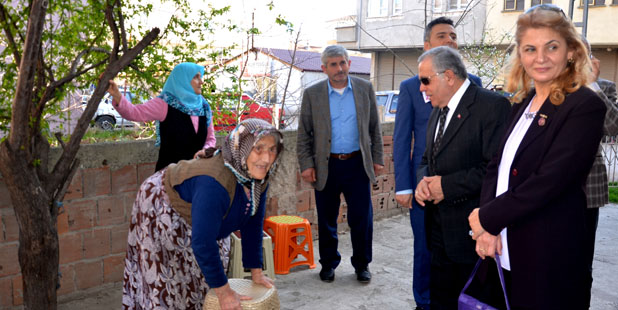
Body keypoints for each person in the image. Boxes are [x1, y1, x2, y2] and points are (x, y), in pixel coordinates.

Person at [467, 4, 606, 309]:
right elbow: (497, 167)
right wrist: (487, 228)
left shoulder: (584, 105)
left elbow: (550, 181)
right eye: (530, 48)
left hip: (548, 252)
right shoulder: (522, 103)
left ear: (571, 51)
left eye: (551, 47)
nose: (539, 58)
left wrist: (486, 218)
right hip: (506, 246)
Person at [122, 118, 282, 310]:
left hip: (199, 210)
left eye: (272, 150)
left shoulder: (257, 179)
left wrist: (256, 272)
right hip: (161, 203)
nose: (266, 159)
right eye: (259, 149)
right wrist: (224, 293)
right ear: (243, 148)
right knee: (166, 276)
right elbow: (203, 243)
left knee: (201, 276)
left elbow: (253, 223)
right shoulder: (215, 183)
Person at [392, 17, 484, 309]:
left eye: (454, 36)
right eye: (442, 36)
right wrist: (406, 186)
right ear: (427, 45)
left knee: (462, 254)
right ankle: (424, 300)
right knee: (426, 249)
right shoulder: (412, 87)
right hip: (424, 188)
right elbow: (403, 138)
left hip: (465, 191)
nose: (450, 40)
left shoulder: (476, 88)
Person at [413, 46, 510, 309]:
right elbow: (426, 160)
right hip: (438, 231)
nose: (422, 88)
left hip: (473, 235)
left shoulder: (492, 107)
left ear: (448, 76)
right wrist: (424, 182)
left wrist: (446, 186)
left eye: (425, 80)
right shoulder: (438, 110)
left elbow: (495, 171)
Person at [297, 45, 384, 284]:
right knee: (326, 218)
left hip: (357, 164)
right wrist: (306, 164)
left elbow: (374, 128)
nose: (340, 68)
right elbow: (304, 134)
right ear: (324, 68)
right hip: (327, 165)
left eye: (343, 63)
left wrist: (377, 159)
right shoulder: (313, 94)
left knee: (362, 219)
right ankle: (328, 264)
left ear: (349, 64)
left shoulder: (364, 88)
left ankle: (362, 264)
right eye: (333, 64)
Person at [108, 62, 216, 171]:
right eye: (196, 77)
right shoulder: (164, 103)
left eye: (200, 77)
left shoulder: (204, 107)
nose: (201, 81)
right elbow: (134, 112)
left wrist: (206, 150)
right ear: (183, 79)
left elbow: (210, 139)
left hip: (197, 174)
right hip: (169, 178)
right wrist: (117, 95)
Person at [583, 38, 618, 308]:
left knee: (581, 261)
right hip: (542, 187)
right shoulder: (545, 84)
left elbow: (614, 127)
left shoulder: (603, 86)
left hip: (585, 188)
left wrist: (590, 84)